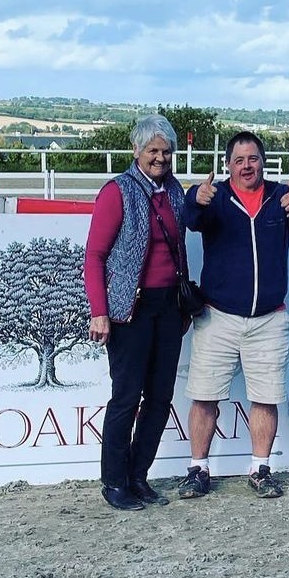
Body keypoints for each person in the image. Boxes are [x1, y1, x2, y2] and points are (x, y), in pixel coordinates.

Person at [178, 131, 289, 499]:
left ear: (262, 161)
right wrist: (195, 199)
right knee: (204, 396)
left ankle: (260, 469)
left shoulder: (282, 198)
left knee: (265, 398)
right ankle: (197, 469)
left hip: (268, 319)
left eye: (252, 159)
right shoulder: (215, 198)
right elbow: (190, 217)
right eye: (239, 160)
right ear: (228, 165)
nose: (247, 166)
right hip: (218, 317)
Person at [85, 114, 188, 511]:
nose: (160, 158)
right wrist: (100, 312)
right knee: (126, 398)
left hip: (168, 308)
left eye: (166, 151)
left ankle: (138, 476)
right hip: (130, 309)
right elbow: (94, 257)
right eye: (153, 151)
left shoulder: (175, 191)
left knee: (160, 398)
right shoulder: (117, 192)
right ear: (137, 151)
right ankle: (114, 482)